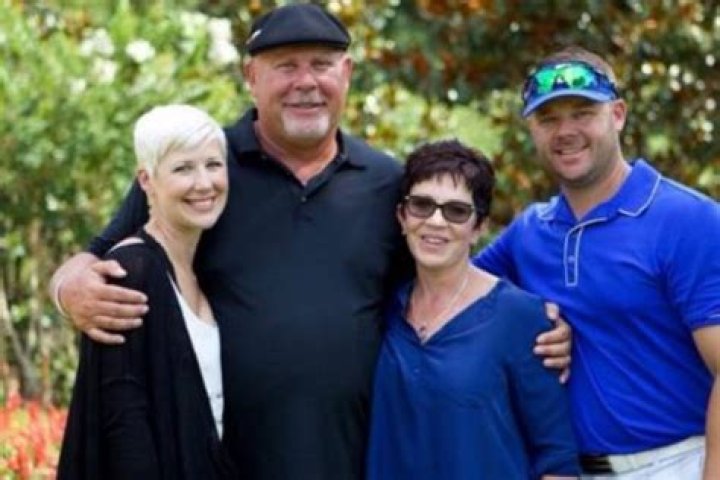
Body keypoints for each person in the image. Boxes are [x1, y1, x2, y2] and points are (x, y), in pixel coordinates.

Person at [49, 4, 571, 479]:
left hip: (354, 461)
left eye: (321, 64)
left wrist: (534, 327)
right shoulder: (205, 169)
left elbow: (447, 281)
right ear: (251, 77)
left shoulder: (386, 183)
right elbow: (105, 251)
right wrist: (67, 288)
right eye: (286, 66)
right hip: (225, 464)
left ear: (347, 74)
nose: (306, 82)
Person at [474, 45, 720, 479]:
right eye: (548, 118)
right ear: (532, 129)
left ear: (618, 114)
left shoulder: (688, 219)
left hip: (676, 464)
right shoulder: (530, 232)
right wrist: (532, 325)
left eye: (583, 112)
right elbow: (453, 298)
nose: (565, 131)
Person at [367, 140, 580, 479]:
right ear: (402, 217)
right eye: (421, 205)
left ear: (478, 227)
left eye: (456, 211)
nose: (436, 221)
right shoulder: (383, 307)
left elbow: (557, 459)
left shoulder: (520, 316)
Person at [58, 104, 236, 479]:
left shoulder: (202, 269)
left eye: (213, 165)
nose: (204, 183)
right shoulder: (131, 272)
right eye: (183, 169)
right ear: (146, 181)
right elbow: (123, 426)